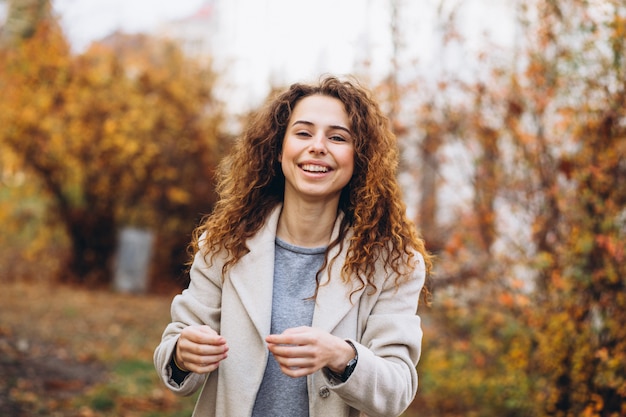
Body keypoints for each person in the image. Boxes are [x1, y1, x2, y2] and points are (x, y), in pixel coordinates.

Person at [154, 75, 432, 417]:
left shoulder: (392, 265)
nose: (317, 146)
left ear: (359, 157)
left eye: (337, 137)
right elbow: (174, 352)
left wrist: (341, 356)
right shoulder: (223, 245)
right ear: (278, 148)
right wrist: (183, 353)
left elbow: (397, 391)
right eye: (303, 132)